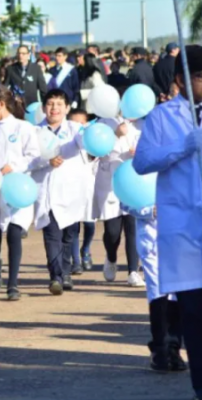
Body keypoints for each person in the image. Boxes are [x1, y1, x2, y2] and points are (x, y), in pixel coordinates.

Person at [133, 44, 202, 400]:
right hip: (184, 228)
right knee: (192, 310)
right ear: (181, 80)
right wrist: (183, 146)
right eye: (201, 77)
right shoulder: (162, 118)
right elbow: (142, 163)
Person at [0, 84, 38, 301]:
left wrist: (13, 167)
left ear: (1, 104)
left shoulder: (23, 128)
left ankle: (13, 284)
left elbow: (33, 156)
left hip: (16, 190)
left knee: (14, 233)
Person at [31, 89, 88, 295]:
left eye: (58, 104)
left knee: (69, 235)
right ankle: (56, 276)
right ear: (44, 107)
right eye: (50, 103)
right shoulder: (34, 132)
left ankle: (65, 271)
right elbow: (27, 159)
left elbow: (86, 144)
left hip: (71, 191)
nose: (54, 108)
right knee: (52, 233)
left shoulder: (75, 129)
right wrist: (46, 161)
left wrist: (89, 137)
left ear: (66, 108)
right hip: (46, 191)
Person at [119, 202, 187, 373]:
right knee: (158, 293)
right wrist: (148, 210)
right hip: (152, 240)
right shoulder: (140, 174)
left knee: (176, 293)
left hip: (180, 237)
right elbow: (126, 198)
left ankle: (173, 348)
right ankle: (161, 349)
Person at [94, 117, 144, 287]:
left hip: (135, 181)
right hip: (111, 183)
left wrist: (140, 153)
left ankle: (133, 271)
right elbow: (98, 152)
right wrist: (115, 136)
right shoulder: (103, 122)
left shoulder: (143, 124)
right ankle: (111, 257)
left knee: (133, 228)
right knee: (112, 232)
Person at [67, 108, 97, 272]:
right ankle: (76, 261)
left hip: (89, 188)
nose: (78, 127)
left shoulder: (93, 142)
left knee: (89, 224)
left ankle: (86, 249)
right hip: (71, 188)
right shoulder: (66, 144)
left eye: (81, 124)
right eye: (74, 123)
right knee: (73, 225)